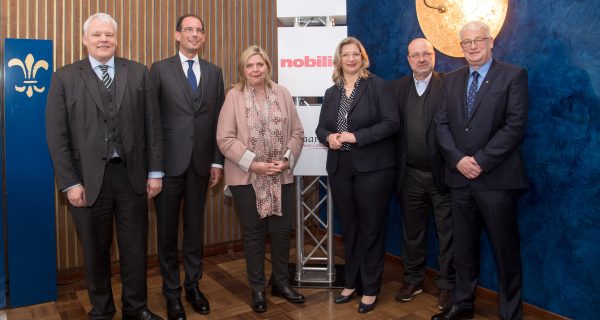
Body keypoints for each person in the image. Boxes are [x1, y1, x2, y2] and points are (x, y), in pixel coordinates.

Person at [45, 13, 163, 320]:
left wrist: (155, 172)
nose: (103, 40)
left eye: (109, 34)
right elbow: (57, 136)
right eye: (96, 34)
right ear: (84, 39)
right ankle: (101, 311)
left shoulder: (138, 73)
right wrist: (70, 183)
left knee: (135, 250)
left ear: (116, 38)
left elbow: (153, 126)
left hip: (132, 177)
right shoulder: (64, 77)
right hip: (86, 181)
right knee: (95, 254)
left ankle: (136, 309)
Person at [432, 21, 529, 320]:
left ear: (491, 42)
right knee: (463, 250)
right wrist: (459, 160)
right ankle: (462, 305)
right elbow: (441, 125)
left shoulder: (513, 75)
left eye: (478, 40)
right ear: (460, 47)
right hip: (459, 180)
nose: (472, 46)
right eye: (466, 42)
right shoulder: (450, 79)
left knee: (505, 252)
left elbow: (514, 126)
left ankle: (510, 314)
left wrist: (481, 161)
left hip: (497, 181)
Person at [216, 45, 305, 314]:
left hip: (281, 177)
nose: (255, 69)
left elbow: (298, 133)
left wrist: (286, 160)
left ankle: (280, 282)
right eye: (250, 66)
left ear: (268, 66)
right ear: (243, 70)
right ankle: (257, 288)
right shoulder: (234, 96)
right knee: (254, 235)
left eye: (260, 64)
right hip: (246, 178)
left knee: (280, 234)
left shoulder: (283, 93)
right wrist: (254, 165)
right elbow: (224, 138)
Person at [315, 37, 400, 314]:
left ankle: (371, 288)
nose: (350, 59)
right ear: (338, 60)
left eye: (355, 54)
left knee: (371, 228)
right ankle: (351, 282)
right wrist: (329, 137)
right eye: (345, 55)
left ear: (363, 58)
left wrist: (356, 136)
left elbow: (391, 123)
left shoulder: (378, 86)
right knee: (349, 229)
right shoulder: (332, 92)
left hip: (373, 168)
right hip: (341, 167)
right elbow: (320, 129)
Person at [149, 14, 224, 319]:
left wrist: (217, 160)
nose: (194, 34)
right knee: (167, 234)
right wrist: (153, 169)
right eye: (188, 30)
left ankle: (193, 286)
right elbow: (151, 122)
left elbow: (219, 121)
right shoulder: (159, 70)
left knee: (194, 231)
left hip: (201, 166)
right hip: (167, 167)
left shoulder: (214, 72)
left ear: (203, 37)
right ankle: (172, 294)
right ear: (177, 35)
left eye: (199, 31)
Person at [387, 38, 454, 311]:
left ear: (434, 56)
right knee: (411, 232)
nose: (421, 59)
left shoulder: (449, 85)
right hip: (410, 174)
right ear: (408, 59)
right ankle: (413, 279)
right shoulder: (396, 89)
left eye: (426, 54)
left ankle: (448, 285)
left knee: (448, 234)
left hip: (443, 175)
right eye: (416, 55)